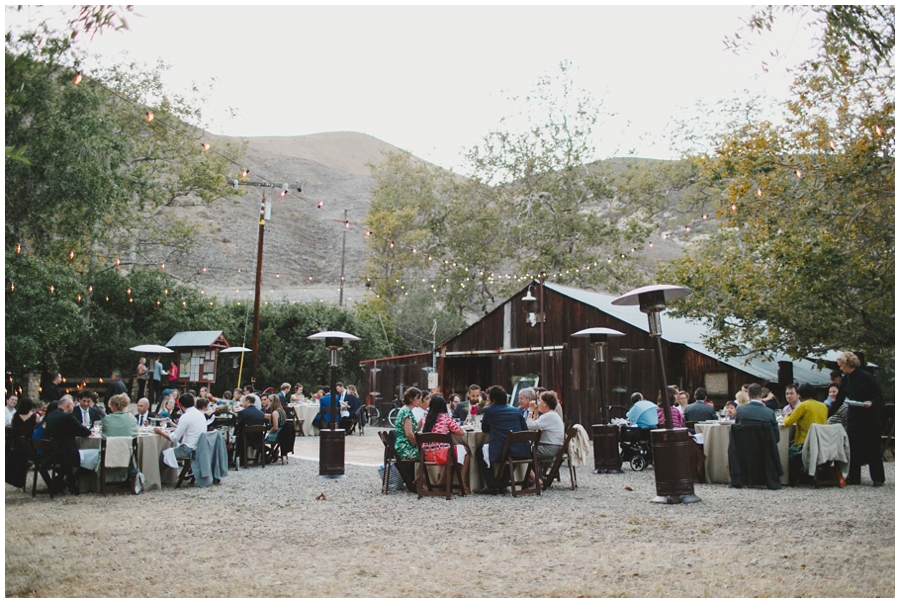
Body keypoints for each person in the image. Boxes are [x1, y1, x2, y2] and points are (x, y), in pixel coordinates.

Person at [835, 351, 884, 486]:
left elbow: (878, 396)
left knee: (873, 446)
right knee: (853, 446)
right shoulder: (845, 379)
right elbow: (839, 400)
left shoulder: (867, 377)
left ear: (848, 364)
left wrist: (871, 402)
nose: (840, 368)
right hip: (854, 415)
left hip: (869, 416)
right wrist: (827, 412)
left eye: (841, 365)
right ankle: (854, 476)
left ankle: (878, 478)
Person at [477, 385, 529, 494]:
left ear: (493, 400)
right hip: (521, 450)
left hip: (501, 450)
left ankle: (492, 484)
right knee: (512, 449)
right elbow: (525, 430)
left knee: (479, 451)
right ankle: (503, 482)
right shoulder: (516, 411)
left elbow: (485, 429)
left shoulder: (489, 411)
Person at [419, 394, 471, 494]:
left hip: (426, 455)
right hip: (442, 455)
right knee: (465, 450)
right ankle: (462, 484)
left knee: (448, 451)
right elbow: (461, 433)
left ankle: (439, 483)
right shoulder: (445, 418)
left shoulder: (425, 418)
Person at [43, 394, 92, 494]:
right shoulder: (67, 416)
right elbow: (85, 432)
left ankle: (63, 481)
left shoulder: (50, 415)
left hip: (50, 453)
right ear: (69, 405)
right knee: (93, 456)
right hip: (66, 454)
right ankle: (70, 481)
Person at [783, 382, 828, 485]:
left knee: (787, 452)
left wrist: (787, 415)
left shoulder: (802, 406)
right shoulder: (823, 406)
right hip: (821, 442)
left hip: (805, 442)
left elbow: (787, 423)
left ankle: (792, 479)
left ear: (799, 394)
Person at [153, 394, 207, 461]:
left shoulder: (185, 416)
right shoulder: (201, 414)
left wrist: (160, 432)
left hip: (189, 449)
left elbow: (174, 437)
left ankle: (162, 471)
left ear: (181, 405)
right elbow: (192, 429)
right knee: (171, 452)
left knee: (163, 455)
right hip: (200, 448)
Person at [6, 396, 38, 488]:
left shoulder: (15, 416)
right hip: (29, 445)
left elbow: (11, 428)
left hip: (17, 444)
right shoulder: (34, 416)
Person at [525, 390, 565, 464]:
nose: (538, 403)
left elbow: (529, 426)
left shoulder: (549, 416)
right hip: (554, 447)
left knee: (521, 453)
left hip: (549, 448)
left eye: (540, 401)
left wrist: (531, 410)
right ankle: (535, 475)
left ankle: (533, 475)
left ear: (545, 404)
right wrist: (536, 412)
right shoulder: (552, 415)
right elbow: (534, 427)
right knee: (524, 452)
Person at [235, 392, 265, 459]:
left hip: (247, 438)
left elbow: (238, 425)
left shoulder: (243, 412)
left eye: (244, 401)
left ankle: (237, 457)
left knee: (238, 435)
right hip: (259, 437)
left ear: (247, 401)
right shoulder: (261, 413)